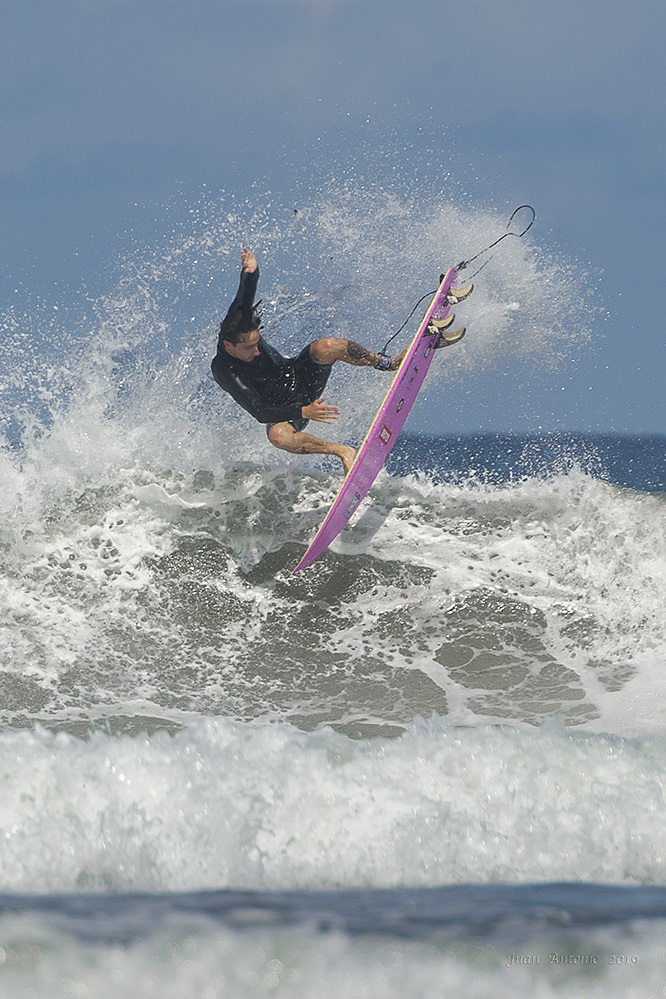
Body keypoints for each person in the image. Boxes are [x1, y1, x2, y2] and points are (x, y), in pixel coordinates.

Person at [211, 248, 409, 475]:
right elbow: (260, 411)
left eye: (257, 343)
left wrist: (251, 271)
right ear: (228, 345)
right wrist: (303, 411)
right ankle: (343, 452)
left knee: (326, 346)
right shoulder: (224, 370)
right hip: (285, 409)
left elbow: (245, 294)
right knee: (278, 437)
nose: (256, 351)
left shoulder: (239, 321)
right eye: (248, 348)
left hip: (297, 375)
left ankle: (386, 363)